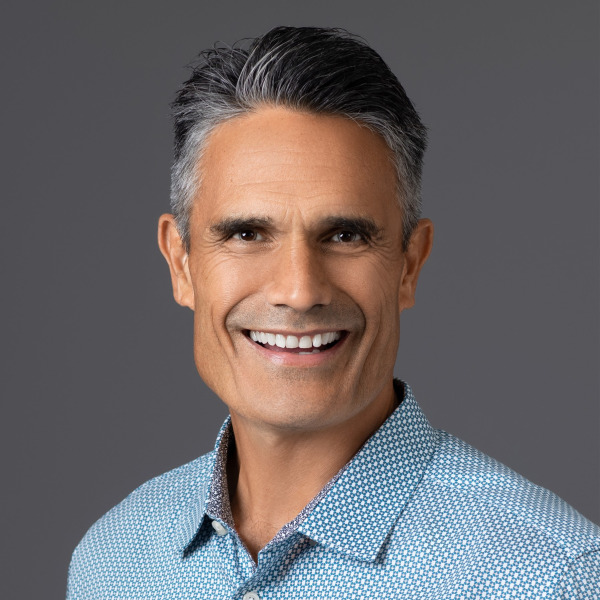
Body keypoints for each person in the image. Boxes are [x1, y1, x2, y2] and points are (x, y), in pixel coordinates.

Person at [67, 26, 599, 599]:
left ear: (409, 265)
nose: (299, 291)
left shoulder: (552, 576)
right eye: (247, 234)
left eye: (345, 235)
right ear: (182, 263)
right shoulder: (112, 561)